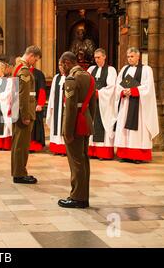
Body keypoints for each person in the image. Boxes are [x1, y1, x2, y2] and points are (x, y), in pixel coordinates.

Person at [58, 51, 96, 208]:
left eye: (61, 66)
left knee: (76, 162)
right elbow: (93, 104)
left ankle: (77, 197)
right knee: (84, 160)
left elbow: (71, 107)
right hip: (85, 123)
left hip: (75, 125)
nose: (61, 69)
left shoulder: (72, 79)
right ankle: (83, 196)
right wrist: (89, 121)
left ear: (67, 63)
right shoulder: (88, 76)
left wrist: (67, 132)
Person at [114, 47, 159, 163]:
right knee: (124, 128)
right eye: (128, 57)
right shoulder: (124, 69)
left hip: (139, 105)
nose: (130, 59)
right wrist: (123, 92)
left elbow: (148, 87)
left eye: (132, 56)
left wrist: (134, 91)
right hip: (126, 104)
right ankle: (125, 155)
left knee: (138, 131)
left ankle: (138, 156)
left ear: (138, 57)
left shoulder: (146, 70)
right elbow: (118, 85)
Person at [11, 46, 42, 184]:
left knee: (18, 143)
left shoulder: (17, 67)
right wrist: (25, 115)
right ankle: (20, 173)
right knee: (21, 145)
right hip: (22, 111)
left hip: (17, 109)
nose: (34, 62)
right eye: (35, 59)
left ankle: (18, 172)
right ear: (30, 55)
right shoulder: (24, 70)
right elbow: (23, 95)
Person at [87, 48, 118, 160]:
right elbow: (87, 82)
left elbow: (111, 87)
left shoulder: (111, 70)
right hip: (92, 102)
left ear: (104, 57)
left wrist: (99, 93)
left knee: (103, 124)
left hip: (104, 103)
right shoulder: (91, 69)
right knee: (92, 124)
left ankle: (103, 153)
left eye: (98, 57)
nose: (96, 60)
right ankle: (92, 151)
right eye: (95, 58)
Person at [46, 63, 67, 155]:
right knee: (56, 127)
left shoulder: (71, 76)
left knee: (64, 127)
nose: (60, 67)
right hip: (56, 106)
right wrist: (51, 106)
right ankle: (57, 148)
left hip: (65, 107)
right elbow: (52, 93)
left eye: (62, 65)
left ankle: (64, 149)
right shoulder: (56, 77)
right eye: (59, 65)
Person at [29, 62, 47, 152]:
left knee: (35, 125)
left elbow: (42, 89)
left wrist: (40, 103)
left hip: (35, 102)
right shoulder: (21, 72)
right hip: (25, 102)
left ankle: (34, 145)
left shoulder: (39, 74)